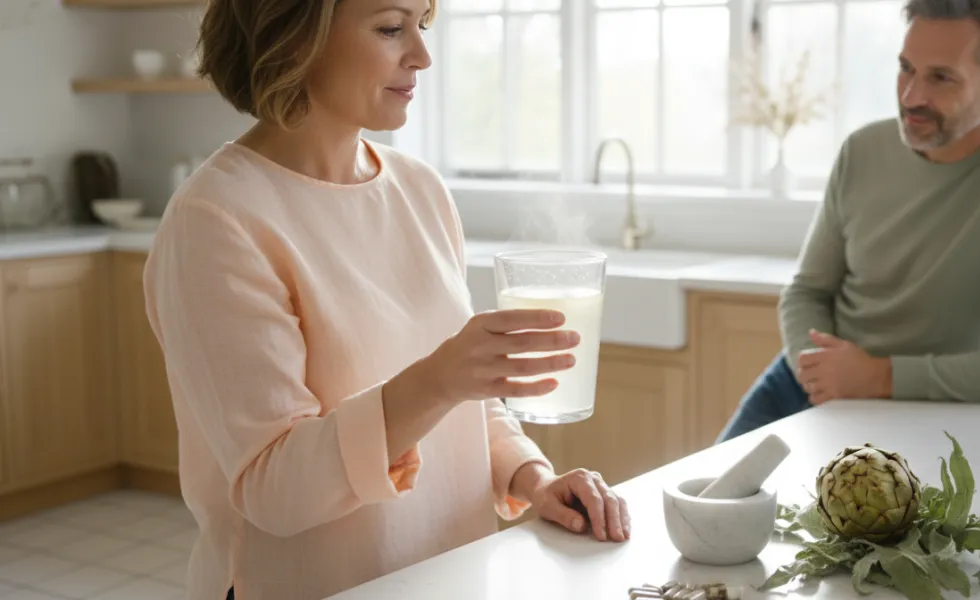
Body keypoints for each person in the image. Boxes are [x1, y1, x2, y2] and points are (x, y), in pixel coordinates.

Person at [143, 1, 630, 599]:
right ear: (295, 37)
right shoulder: (216, 219)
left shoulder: (419, 189)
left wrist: (533, 478)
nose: (423, 56)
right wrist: (439, 380)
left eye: (422, 26)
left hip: (451, 579)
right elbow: (274, 490)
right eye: (391, 27)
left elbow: (467, 397)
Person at [717, 0, 980, 443]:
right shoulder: (861, 151)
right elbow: (807, 292)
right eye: (905, 68)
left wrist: (880, 378)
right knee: (699, 506)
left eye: (941, 77)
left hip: (935, 409)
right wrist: (823, 377)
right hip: (809, 384)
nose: (911, 96)